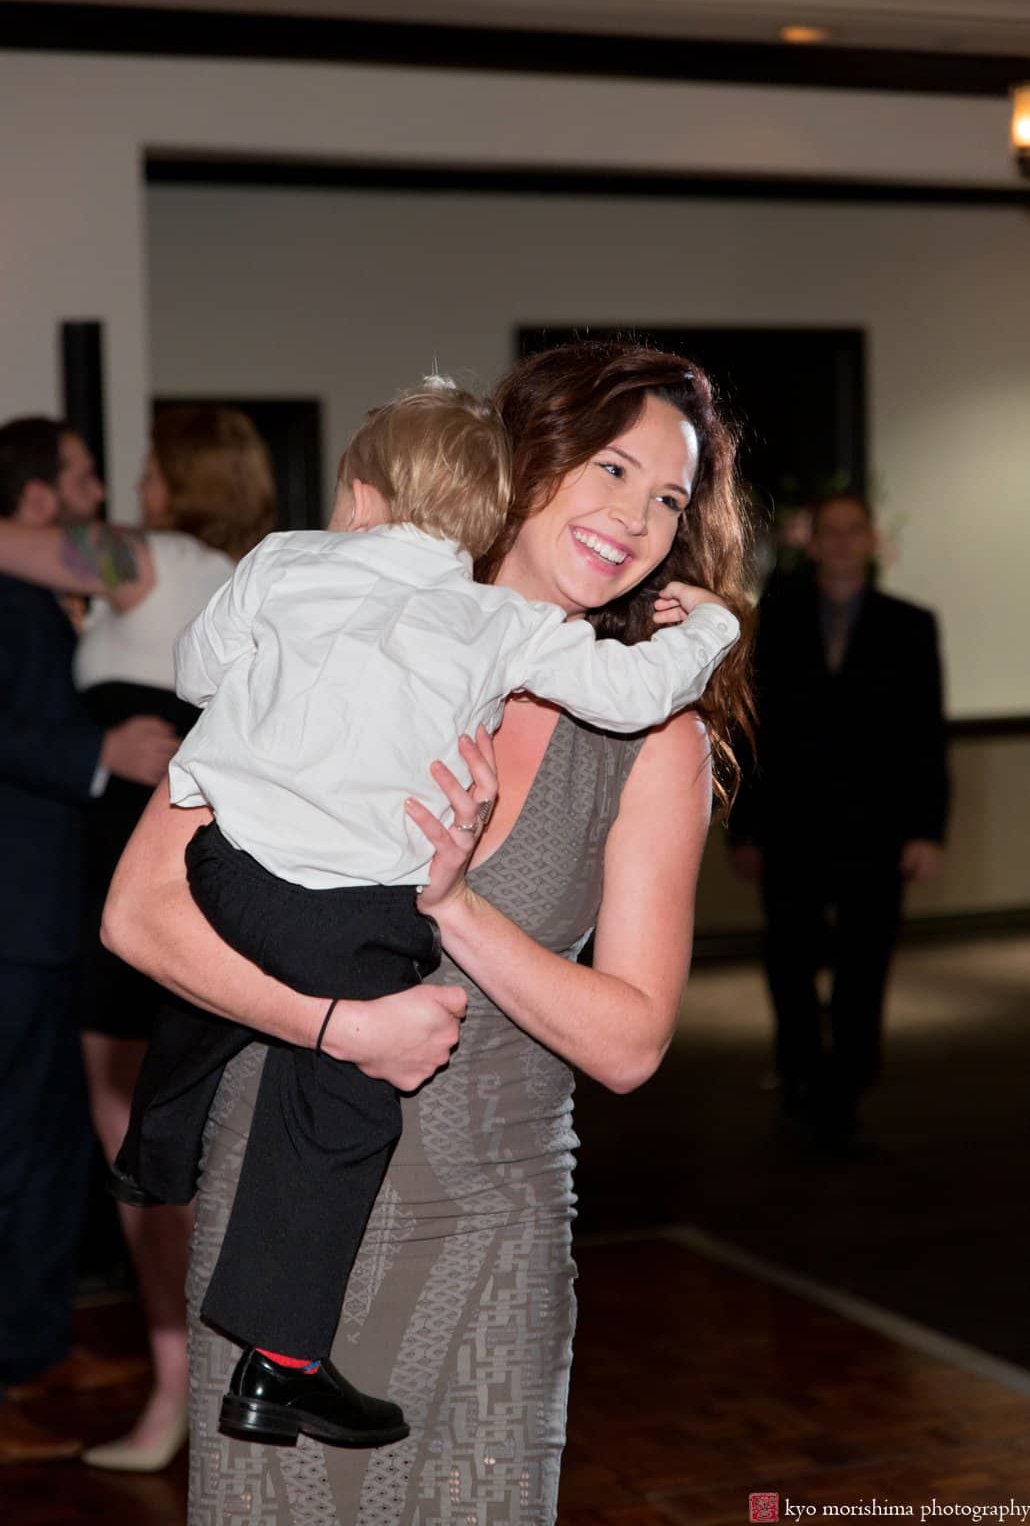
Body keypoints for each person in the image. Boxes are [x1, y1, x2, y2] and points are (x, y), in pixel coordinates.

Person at [101, 340, 753, 1524]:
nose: (638, 518)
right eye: (611, 468)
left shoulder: (650, 736)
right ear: (527, 456)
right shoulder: (332, 626)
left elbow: (629, 1041)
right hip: (278, 1225)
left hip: (489, 1232)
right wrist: (339, 1022)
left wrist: (455, 903)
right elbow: (140, 910)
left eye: (668, 497)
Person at [0, 407, 275, 1470]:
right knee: (217, 1146)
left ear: (185, 479)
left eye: (154, 464)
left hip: (130, 888)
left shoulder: (142, 557)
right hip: (218, 880)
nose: (135, 480)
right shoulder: (257, 577)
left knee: (143, 1151)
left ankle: (179, 1394)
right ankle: (229, 1382)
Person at [0, 416, 180, 1465]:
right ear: (35, 497)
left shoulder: (54, 587)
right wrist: (96, 748)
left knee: (55, 1140)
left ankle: (36, 1344)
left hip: (57, 910)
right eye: (77, 474)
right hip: (16, 914)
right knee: (15, 1143)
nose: (98, 488)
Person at [729, 492, 949, 1152]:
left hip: (876, 829)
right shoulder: (773, 622)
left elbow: (925, 736)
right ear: (814, 542)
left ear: (872, 541)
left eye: (856, 531)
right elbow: (749, 732)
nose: (845, 541)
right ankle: (798, 1075)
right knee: (789, 960)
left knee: (865, 963)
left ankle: (847, 1086)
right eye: (833, 531)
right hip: (791, 827)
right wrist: (744, 828)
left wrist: (928, 829)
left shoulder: (911, 624)